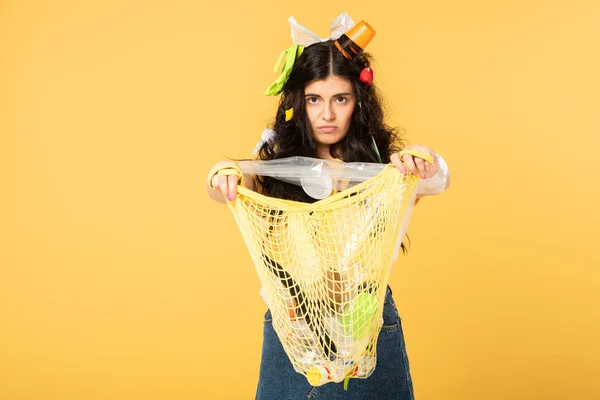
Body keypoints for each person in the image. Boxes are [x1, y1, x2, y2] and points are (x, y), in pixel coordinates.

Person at [206, 13, 450, 400]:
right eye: (314, 99)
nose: (327, 114)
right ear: (298, 104)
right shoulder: (276, 168)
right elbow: (226, 190)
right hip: (295, 328)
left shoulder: (384, 170)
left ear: (358, 102)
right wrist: (223, 174)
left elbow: (437, 180)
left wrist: (423, 159)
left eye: (341, 99)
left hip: (365, 324)